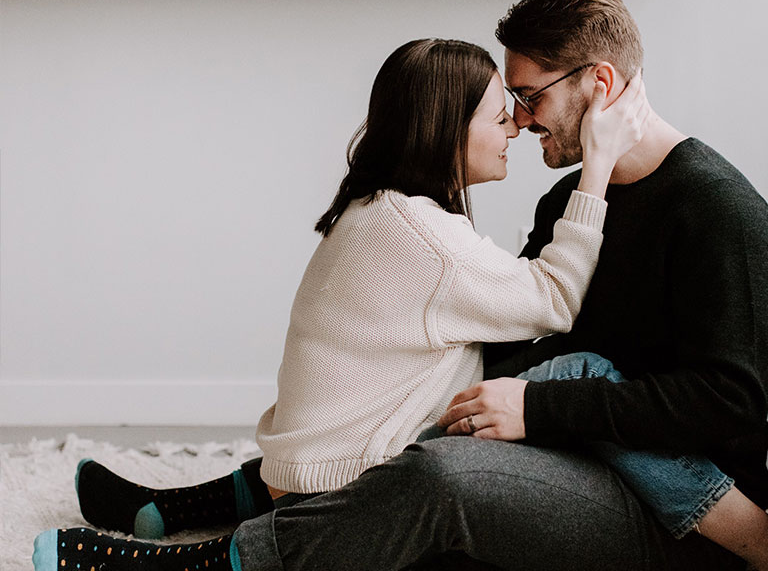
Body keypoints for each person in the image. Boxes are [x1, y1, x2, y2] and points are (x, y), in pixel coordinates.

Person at [32, 37, 647, 571]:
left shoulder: (379, 209)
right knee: (563, 376)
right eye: (498, 116)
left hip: (303, 468)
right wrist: (596, 166)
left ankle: (166, 509)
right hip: (339, 494)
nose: (514, 127)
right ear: (447, 130)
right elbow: (556, 298)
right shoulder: (429, 241)